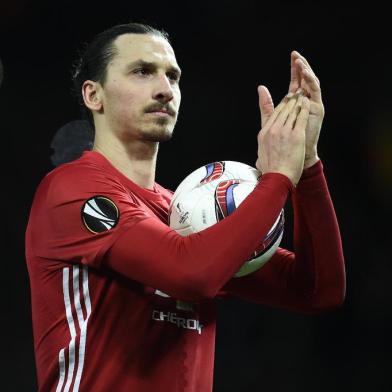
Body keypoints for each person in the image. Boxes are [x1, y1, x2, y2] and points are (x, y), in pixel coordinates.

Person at [25, 23, 345, 392]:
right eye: (143, 71)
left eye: (173, 76)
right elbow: (191, 273)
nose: (165, 89)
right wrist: (277, 179)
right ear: (94, 95)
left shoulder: (186, 214)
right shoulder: (70, 190)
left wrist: (306, 166)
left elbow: (318, 290)